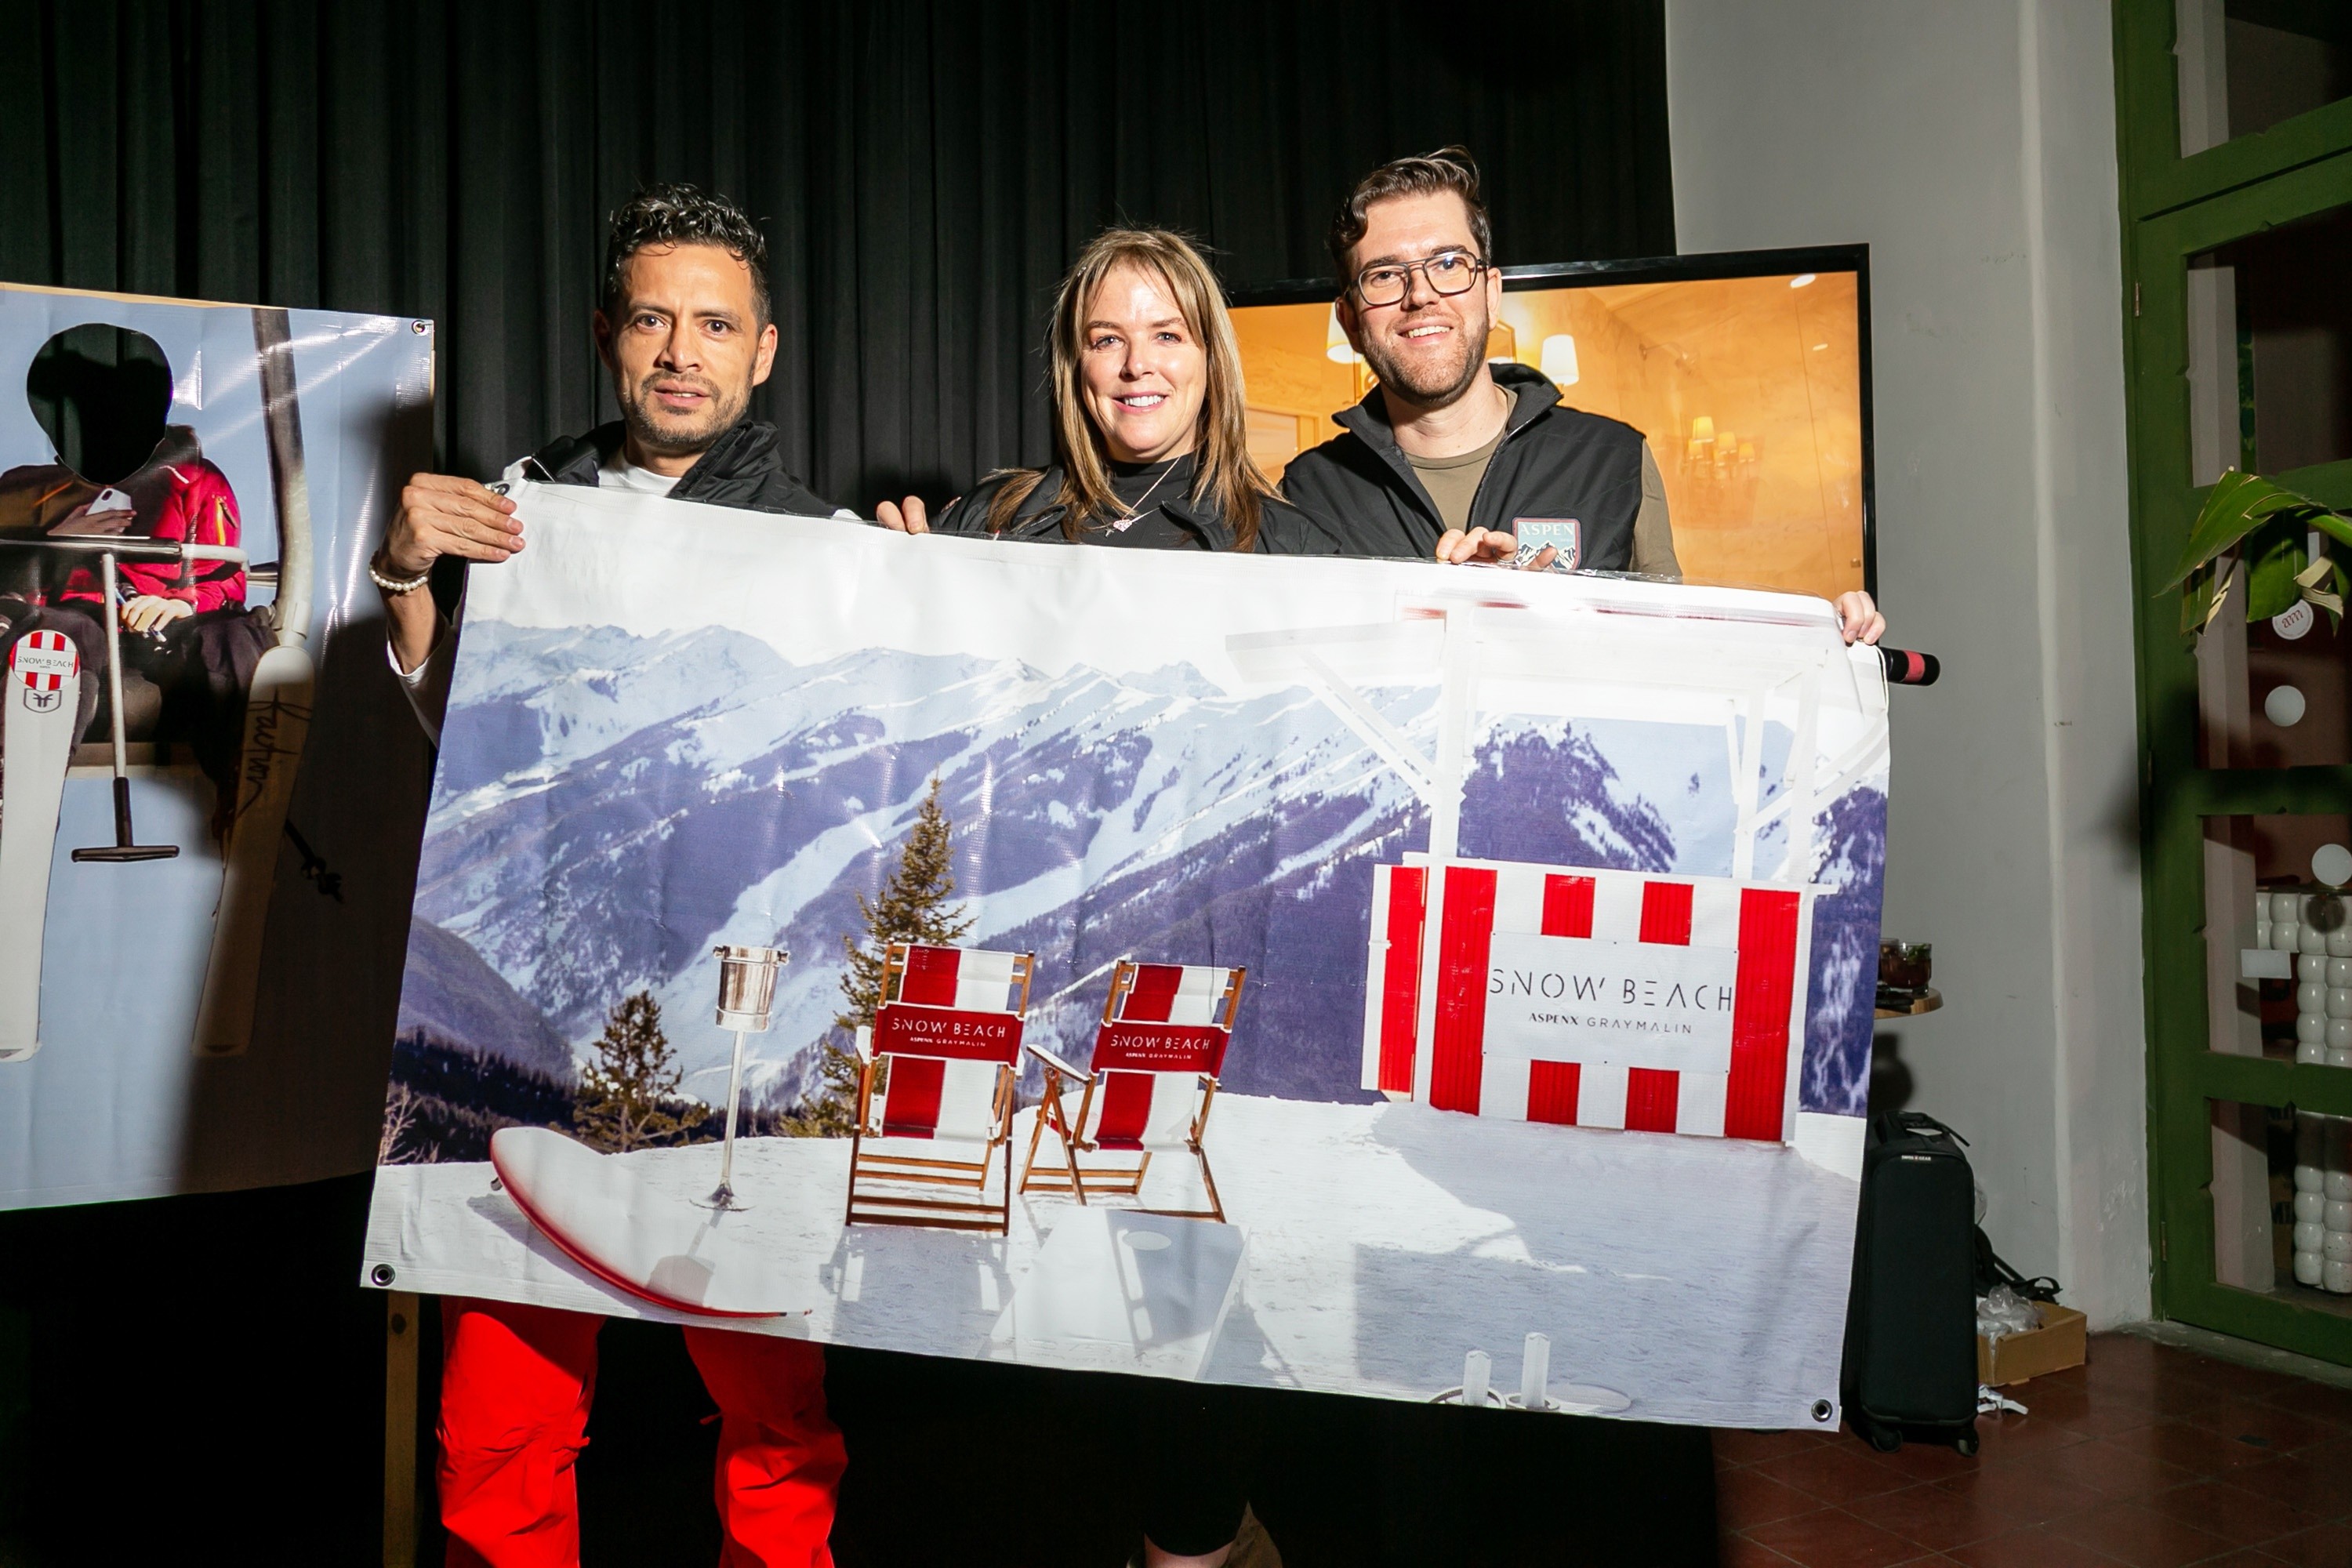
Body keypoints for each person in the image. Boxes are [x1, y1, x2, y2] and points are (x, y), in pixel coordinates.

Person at [375, 183, 855, 1568]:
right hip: (537, 1029)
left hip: (742, 1041)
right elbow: (461, 743)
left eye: (716, 325)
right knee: (499, 1425)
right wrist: (406, 578)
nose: (682, 353)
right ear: (606, 334)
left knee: (776, 1419)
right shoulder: (525, 513)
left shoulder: (832, 550)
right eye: (653, 320)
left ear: (765, 350)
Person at [1284, 146, 1886, 646]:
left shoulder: (1614, 459)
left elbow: (1676, 658)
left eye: (1448, 263)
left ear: (1490, 292)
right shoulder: (1306, 493)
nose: (1420, 295)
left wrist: (1816, 640)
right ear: (1350, 320)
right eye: (1384, 275)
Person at [0, 343, 270, 818]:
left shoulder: (195, 480)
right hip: (75, 620)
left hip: (167, 631)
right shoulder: (27, 489)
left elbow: (225, 578)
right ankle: (21, 795)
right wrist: (56, 541)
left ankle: (249, 788)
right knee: (60, 635)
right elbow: (8, 587)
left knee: (231, 635)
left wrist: (182, 603)